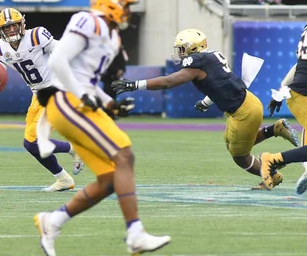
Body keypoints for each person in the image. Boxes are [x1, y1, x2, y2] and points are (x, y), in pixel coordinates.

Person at [33, 0, 171, 256]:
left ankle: (53, 221)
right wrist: (80, 96)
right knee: (124, 155)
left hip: (78, 101)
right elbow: (58, 60)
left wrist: (110, 103)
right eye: (126, 4)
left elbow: (89, 80)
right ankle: (135, 234)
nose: (129, 10)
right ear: (110, 2)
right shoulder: (88, 20)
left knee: (111, 178)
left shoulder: (112, 37)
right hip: (65, 100)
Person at [112, 29, 299, 189]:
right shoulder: (210, 57)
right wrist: (206, 102)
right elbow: (218, 84)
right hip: (246, 104)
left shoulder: (196, 63)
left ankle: (271, 174)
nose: (179, 53)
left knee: (240, 156)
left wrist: (136, 84)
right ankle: (274, 129)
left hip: (244, 112)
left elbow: (168, 82)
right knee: (231, 144)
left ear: (193, 47)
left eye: (181, 48)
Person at [0, 8, 83, 191]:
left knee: (34, 142)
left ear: (22, 24)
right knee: (30, 145)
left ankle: (76, 148)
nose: (11, 30)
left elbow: (61, 50)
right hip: (37, 95)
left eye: (14, 25)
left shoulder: (37, 35)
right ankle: (63, 180)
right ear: (0, 30)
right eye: (6, 28)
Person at [261, 25, 307, 194]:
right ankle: (272, 160)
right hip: (303, 94)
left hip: (298, 91)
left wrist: (282, 88)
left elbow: (299, 65)